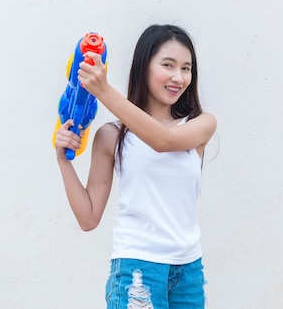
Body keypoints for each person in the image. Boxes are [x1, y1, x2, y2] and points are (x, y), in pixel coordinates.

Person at [54, 24, 217, 309]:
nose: (178, 77)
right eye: (168, 65)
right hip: (137, 270)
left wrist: (104, 91)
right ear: (144, 67)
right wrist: (62, 160)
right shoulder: (112, 135)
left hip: (188, 271)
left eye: (186, 68)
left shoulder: (200, 125)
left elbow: (163, 140)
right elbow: (88, 218)